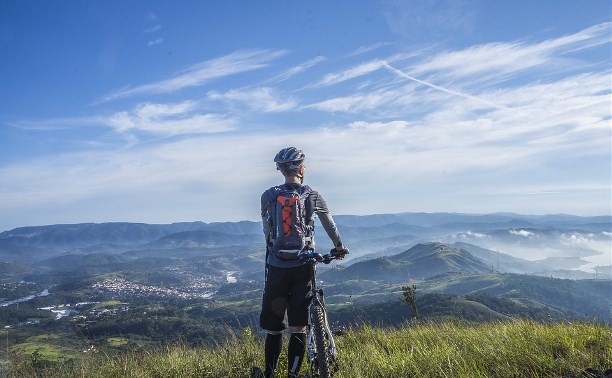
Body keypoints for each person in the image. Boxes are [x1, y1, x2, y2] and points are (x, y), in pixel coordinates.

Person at [254, 147, 348, 378]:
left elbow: (267, 228)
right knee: (298, 326)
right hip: (303, 266)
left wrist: (274, 251)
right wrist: (338, 247)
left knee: (274, 328)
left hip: (276, 267)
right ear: (301, 168)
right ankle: (293, 374)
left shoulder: (268, 196)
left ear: (281, 170)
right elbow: (330, 225)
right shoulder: (312, 195)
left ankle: (269, 374)